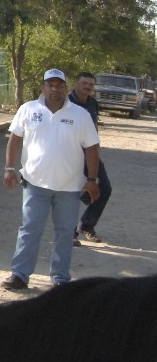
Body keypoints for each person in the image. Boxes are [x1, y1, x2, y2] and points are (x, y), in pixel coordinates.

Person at [0, 68, 101, 290]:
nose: (55, 89)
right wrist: (9, 167)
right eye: (50, 85)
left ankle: (60, 279)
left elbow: (92, 148)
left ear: (66, 88)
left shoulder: (80, 115)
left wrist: (92, 179)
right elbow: (15, 138)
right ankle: (19, 275)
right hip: (35, 183)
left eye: (59, 85)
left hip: (70, 187)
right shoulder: (28, 109)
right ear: (43, 87)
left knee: (65, 233)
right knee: (29, 228)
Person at [65, 71, 111, 245]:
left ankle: (86, 225)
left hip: (91, 154)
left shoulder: (92, 103)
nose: (87, 87)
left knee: (104, 189)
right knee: (72, 194)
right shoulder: (66, 103)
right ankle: (69, 233)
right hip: (71, 155)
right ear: (76, 83)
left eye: (91, 84)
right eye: (84, 83)